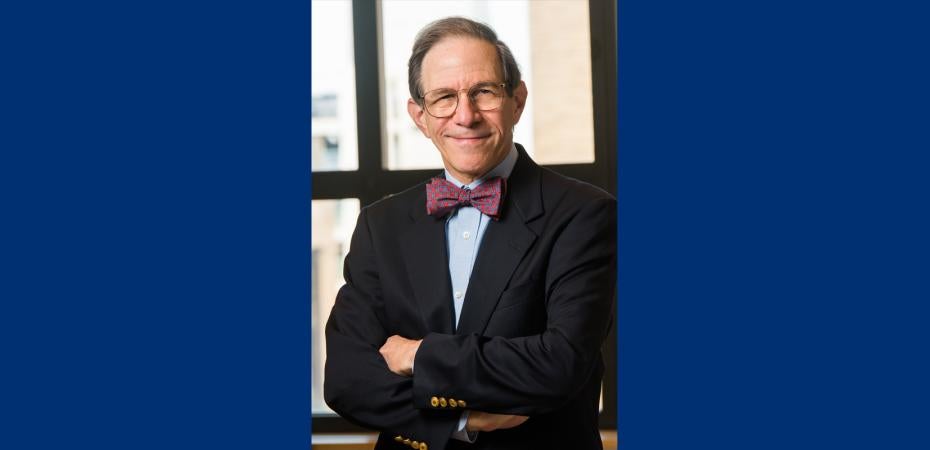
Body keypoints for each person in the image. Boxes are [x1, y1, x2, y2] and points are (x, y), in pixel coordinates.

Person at [324, 17, 616, 450]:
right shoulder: (380, 223)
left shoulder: (586, 214)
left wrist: (419, 354)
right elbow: (347, 378)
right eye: (444, 97)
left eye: (484, 91)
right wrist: (461, 420)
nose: (466, 115)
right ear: (420, 117)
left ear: (517, 100)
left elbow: (560, 364)